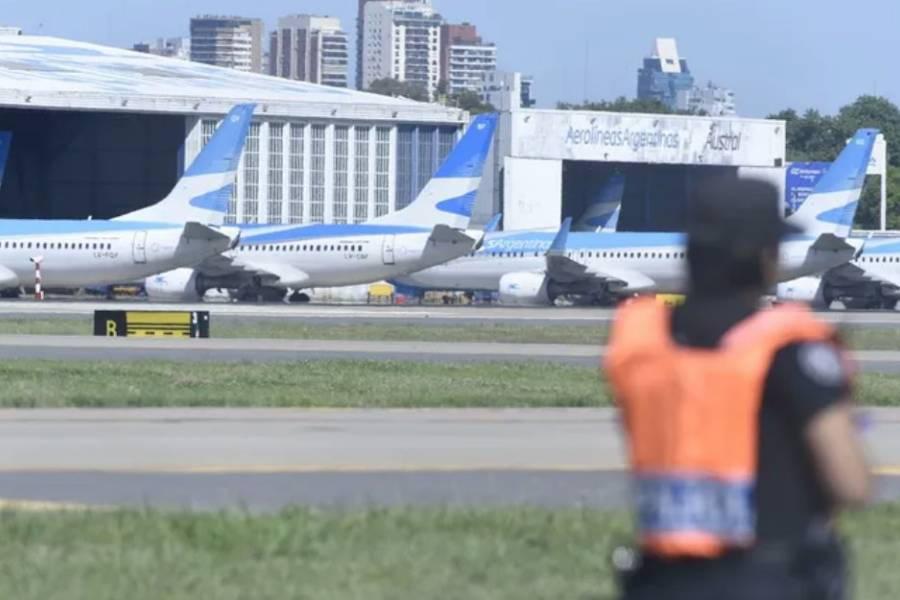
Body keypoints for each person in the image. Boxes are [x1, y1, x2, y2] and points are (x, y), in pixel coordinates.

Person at [605, 176, 871, 600]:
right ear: (762, 256)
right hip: (767, 576)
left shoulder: (641, 343)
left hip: (660, 577)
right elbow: (852, 485)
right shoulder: (789, 349)